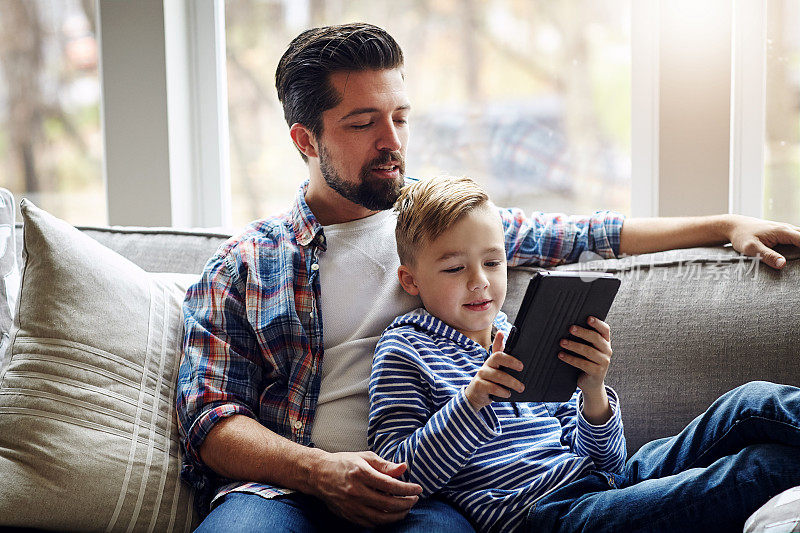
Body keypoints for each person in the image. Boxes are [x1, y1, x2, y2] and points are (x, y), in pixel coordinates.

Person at [175, 22, 800, 532]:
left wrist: (725, 224)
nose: (392, 142)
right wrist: (319, 471)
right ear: (304, 140)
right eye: (364, 123)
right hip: (289, 487)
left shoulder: (444, 221)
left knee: (755, 430)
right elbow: (208, 417)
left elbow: (586, 234)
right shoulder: (246, 266)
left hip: (424, 500)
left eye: (401, 117)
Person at [368, 175, 800, 533]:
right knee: (761, 470)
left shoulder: (518, 333)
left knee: (752, 401)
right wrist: (473, 401)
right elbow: (399, 479)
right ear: (411, 281)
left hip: (604, 483)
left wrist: (593, 392)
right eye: (454, 268)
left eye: (493, 263)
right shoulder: (405, 348)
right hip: (543, 516)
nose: (480, 281)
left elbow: (607, 461)